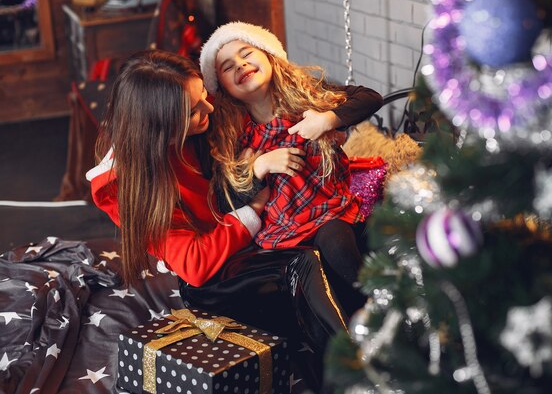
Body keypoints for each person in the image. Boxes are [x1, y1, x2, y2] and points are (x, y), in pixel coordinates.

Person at [85, 49, 363, 391]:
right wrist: (253, 208)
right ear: (160, 126)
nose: (210, 109)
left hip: (255, 246)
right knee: (303, 266)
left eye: (203, 95)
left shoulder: (204, 115)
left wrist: (326, 123)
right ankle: (358, 367)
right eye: (194, 110)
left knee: (327, 258)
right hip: (214, 282)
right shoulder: (126, 188)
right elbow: (197, 265)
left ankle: (348, 364)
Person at [199, 21, 383, 315]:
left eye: (247, 53)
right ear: (223, 88)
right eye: (227, 66)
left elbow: (371, 98)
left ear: (270, 55)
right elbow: (225, 201)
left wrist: (328, 120)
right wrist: (259, 167)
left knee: (336, 243)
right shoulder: (235, 137)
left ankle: (376, 309)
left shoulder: (307, 100)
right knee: (307, 280)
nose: (241, 65)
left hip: (325, 213)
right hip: (280, 233)